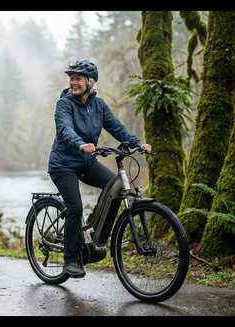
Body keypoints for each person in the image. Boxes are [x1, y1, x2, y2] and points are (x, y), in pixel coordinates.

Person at [47, 60, 151, 277]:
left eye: (78, 79)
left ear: (90, 82)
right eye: (72, 78)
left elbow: (116, 127)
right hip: (63, 164)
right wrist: (80, 144)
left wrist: (137, 143)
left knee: (115, 186)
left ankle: (94, 224)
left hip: (87, 161)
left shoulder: (99, 104)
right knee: (75, 207)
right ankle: (70, 260)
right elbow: (64, 128)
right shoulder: (64, 104)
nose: (73, 82)